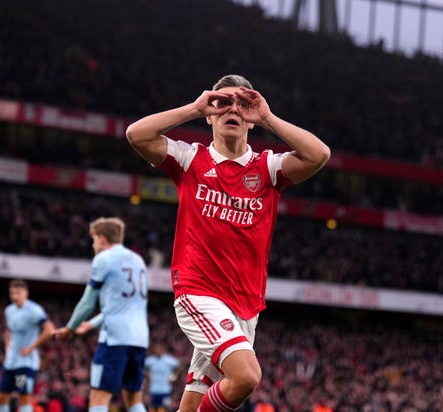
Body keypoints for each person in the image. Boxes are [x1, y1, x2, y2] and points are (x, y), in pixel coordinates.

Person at [125, 74, 330, 412]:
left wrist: (267, 117)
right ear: (210, 114)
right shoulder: (190, 159)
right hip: (198, 293)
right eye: (223, 103)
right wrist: (194, 107)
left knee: (191, 404)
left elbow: (318, 154)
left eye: (242, 103)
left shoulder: (267, 168)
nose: (233, 109)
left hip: (245, 304)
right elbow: (136, 134)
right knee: (247, 377)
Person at [55, 217, 149, 412]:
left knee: (99, 396)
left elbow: (87, 302)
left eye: (94, 239)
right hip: (139, 338)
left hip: (114, 339)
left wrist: (69, 328)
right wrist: (91, 324)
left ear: (103, 239)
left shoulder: (104, 258)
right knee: (134, 399)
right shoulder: (138, 260)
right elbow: (123, 305)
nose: (93, 244)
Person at [0, 279, 54, 412]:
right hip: (10, 364)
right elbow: (8, 330)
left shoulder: (34, 310)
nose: (14, 296)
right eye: (12, 293)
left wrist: (31, 347)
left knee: (23, 396)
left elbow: (49, 329)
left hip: (25, 364)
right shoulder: (9, 311)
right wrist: (7, 348)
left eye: (18, 293)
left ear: (26, 293)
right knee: (1, 397)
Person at [145, 343, 181, 412]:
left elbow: (180, 366)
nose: (158, 350)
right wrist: (147, 374)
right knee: (152, 407)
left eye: (160, 348)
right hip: (154, 389)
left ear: (163, 349)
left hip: (165, 389)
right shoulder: (151, 360)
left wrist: (174, 376)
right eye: (156, 349)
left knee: (166, 407)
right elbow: (142, 366)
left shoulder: (169, 360)